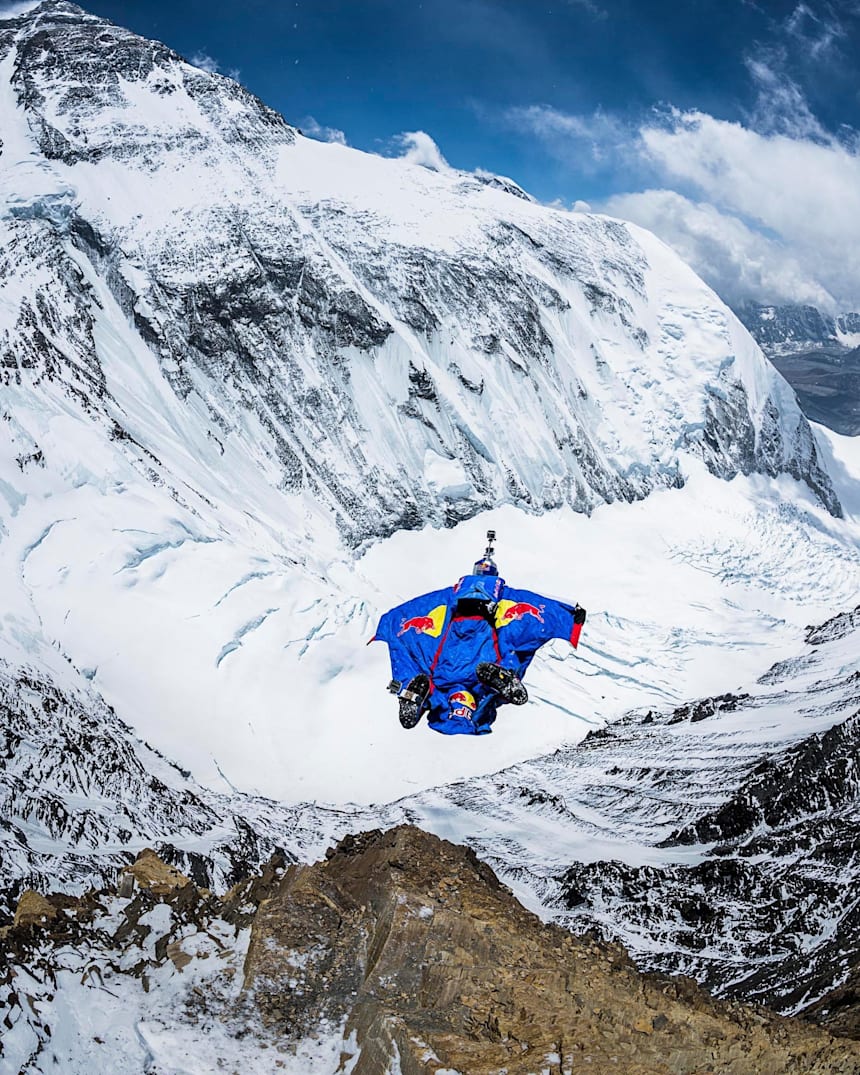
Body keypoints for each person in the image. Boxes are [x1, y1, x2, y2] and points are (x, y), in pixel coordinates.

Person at [370, 533, 586, 735]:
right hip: (483, 666)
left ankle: (410, 690)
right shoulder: (504, 597)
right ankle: (506, 678)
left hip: (443, 666)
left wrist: (388, 623)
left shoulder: (447, 597)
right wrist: (569, 616)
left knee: (415, 661)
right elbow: (536, 611)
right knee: (514, 649)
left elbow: (409, 613)